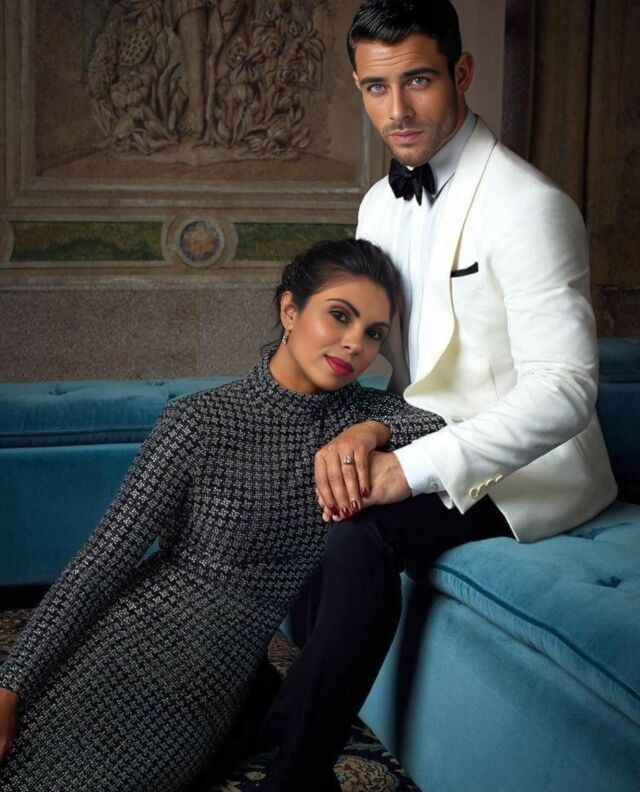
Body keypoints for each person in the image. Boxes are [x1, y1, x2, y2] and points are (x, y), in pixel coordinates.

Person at [257, 1, 618, 789]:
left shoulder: (531, 207)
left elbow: (565, 392)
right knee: (296, 474)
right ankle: (263, 704)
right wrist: (366, 432)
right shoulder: (377, 204)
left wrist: (408, 468)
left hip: (529, 466)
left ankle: (296, 772)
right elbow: (398, 368)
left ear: (461, 72)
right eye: (375, 87)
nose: (398, 109)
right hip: (417, 426)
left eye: (418, 80)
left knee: (363, 529)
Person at [0, 239, 444, 790]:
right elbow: (101, 561)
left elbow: (446, 426)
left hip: (213, 689)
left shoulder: (363, 415)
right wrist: (11, 684)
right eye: (339, 315)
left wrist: (370, 431)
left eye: (374, 333)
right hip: (125, 655)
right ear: (289, 309)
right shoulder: (199, 420)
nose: (355, 343)